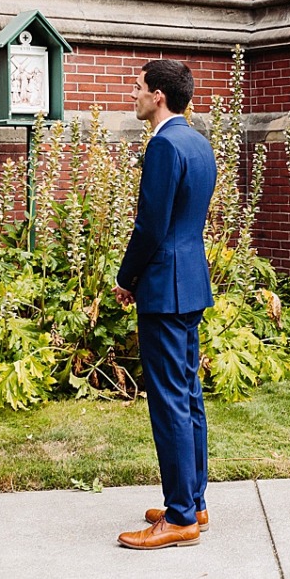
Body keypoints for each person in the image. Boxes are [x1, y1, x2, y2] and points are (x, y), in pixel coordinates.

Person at [113, 60, 217, 550]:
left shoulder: (162, 145)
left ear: (157, 96)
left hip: (162, 287)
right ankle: (192, 501)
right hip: (191, 282)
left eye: (137, 88)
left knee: (170, 400)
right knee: (189, 395)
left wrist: (126, 276)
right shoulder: (198, 142)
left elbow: (151, 226)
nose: (132, 94)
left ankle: (179, 519)